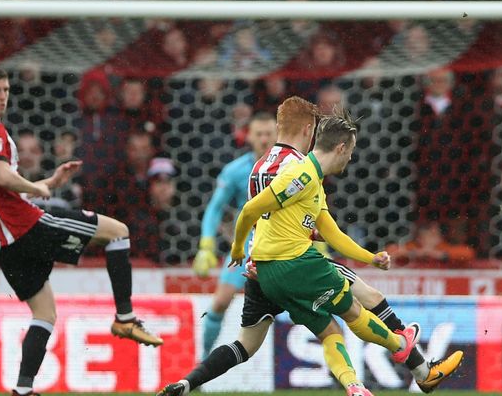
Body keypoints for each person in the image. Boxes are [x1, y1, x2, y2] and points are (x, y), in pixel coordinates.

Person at [157, 97, 462, 396]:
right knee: (362, 303)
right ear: (308, 130)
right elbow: (255, 210)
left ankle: (187, 383)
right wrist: (237, 247)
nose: (351, 158)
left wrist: (368, 257)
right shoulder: (301, 168)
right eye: (350, 151)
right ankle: (407, 351)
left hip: (259, 267)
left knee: (253, 342)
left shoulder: (259, 165)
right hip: (295, 262)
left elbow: (306, 222)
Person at [0, 65, 162, 396]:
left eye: (7, 90)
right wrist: (37, 191)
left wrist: (47, 183)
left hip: (6, 246)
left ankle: (23, 390)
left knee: (44, 314)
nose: (3, 97)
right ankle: (125, 318)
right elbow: (0, 176)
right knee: (118, 231)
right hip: (28, 227)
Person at [192, 111, 277, 355]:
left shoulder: (292, 167)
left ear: (278, 135)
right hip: (249, 245)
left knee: (305, 306)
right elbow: (215, 208)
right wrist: (206, 245)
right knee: (220, 301)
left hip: (285, 243)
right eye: (259, 134)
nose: (264, 139)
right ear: (248, 136)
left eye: (269, 134)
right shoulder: (235, 170)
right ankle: (202, 363)